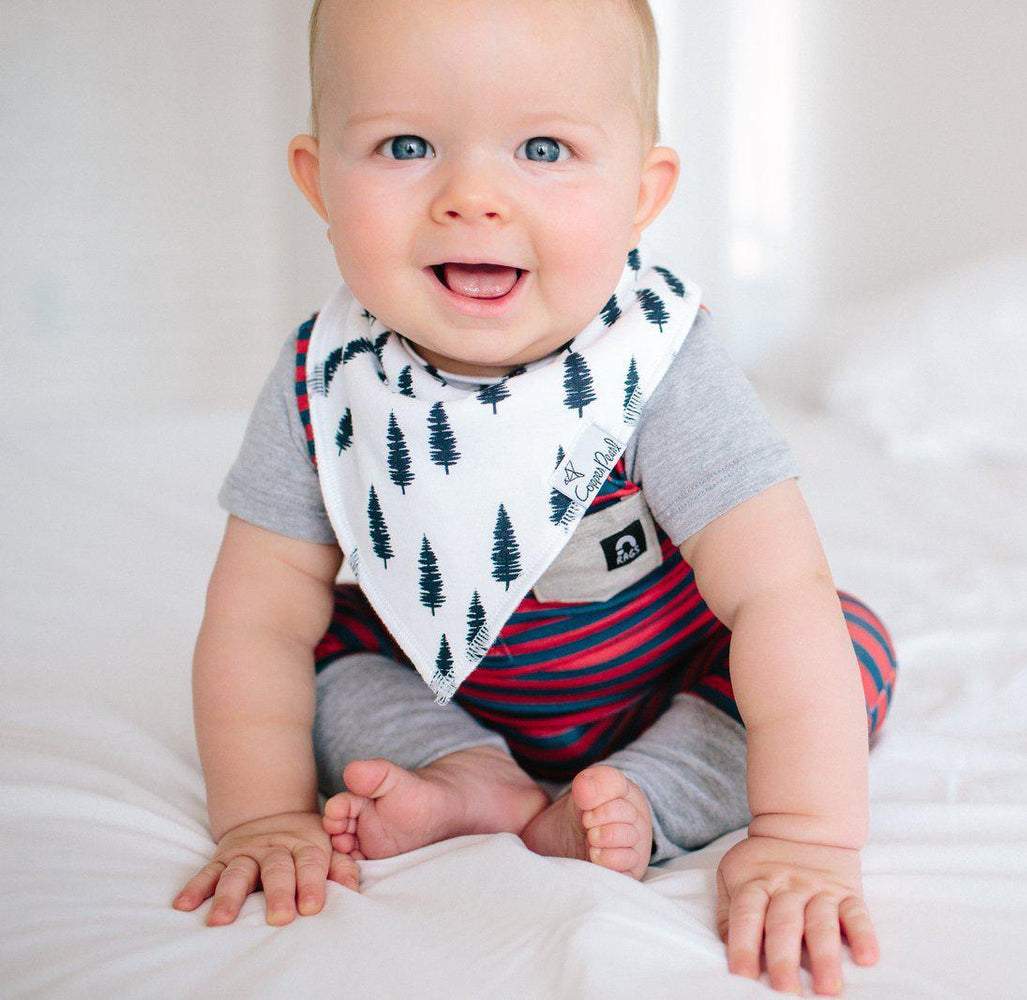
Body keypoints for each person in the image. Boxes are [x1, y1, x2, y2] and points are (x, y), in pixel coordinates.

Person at [171, 1, 897, 995]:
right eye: (407, 144)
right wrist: (259, 815)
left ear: (643, 195)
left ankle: (642, 795)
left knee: (840, 641)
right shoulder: (323, 381)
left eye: (545, 147)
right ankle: (466, 777)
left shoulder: (663, 364)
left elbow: (774, 590)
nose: (473, 195)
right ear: (318, 181)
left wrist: (805, 835)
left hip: (662, 684)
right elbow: (255, 620)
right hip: (435, 689)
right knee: (325, 655)